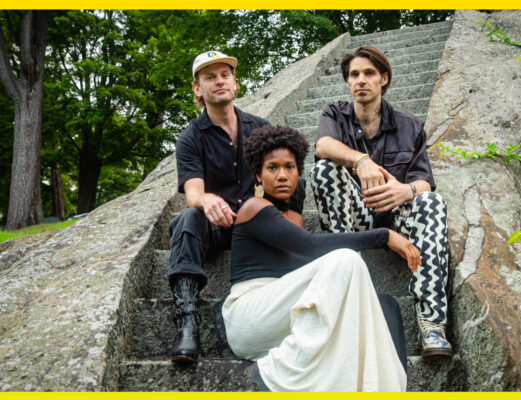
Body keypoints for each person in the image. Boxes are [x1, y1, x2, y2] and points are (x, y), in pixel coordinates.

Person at [222, 125, 418, 391]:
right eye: (272, 168)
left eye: (289, 167)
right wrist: (384, 235)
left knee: (385, 306)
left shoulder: (296, 218)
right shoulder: (254, 208)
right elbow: (311, 246)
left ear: (298, 173)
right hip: (250, 318)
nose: (282, 176)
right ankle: (283, 373)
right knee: (345, 260)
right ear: (257, 176)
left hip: (283, 316)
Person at [310, 45, 452, 358]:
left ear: (383, 79)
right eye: (354, 74)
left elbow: (424, 180)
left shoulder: (409, 125)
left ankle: (432, 323)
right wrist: (361, 161)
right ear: (348, 82)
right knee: (323, 168)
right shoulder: (335, 114)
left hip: (398, 219)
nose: (361, 80)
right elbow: (322, 145)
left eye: (369, 73)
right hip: (355, 219)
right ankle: (342, 286)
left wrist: (406, 191)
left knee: (431, 201)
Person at [168, 50, 304, 362]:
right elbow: (193, 193)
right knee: (187, 219)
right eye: (209, 77)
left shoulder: (260, 127)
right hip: (217, 227)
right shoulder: (190, 137)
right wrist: (206, 200)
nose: (219, 81)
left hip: (256, 227)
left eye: (224, 75)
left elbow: (283, 175)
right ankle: (187, 321)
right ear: (197, 89)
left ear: (235, 83)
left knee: (298, 183)